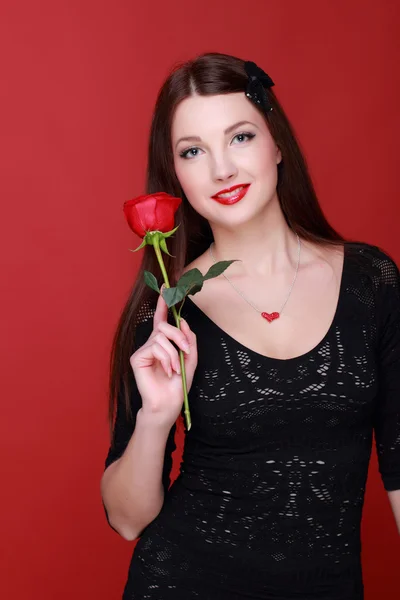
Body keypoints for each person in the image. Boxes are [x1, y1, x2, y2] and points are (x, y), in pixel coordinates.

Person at [100, 52, 400, 599]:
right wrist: (156, 417)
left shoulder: (371, 280)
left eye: (240, 137)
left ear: (276, 143)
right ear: (175, 177)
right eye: (193, 151)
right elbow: (126, 520)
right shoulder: (166, 308)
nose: (222, 169)